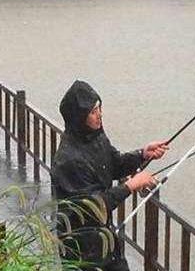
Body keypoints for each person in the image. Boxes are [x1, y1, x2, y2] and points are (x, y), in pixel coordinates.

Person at [52, 80, 168, 271]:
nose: (99, 115)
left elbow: (114, 165)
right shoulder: (68, 160)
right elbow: (93, 206)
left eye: (99, 108)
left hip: (106, 241)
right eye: (93, 112)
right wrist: (131, 185)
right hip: (81, 248)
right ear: (79, 117)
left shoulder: (96, 136)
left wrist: (143, 154)